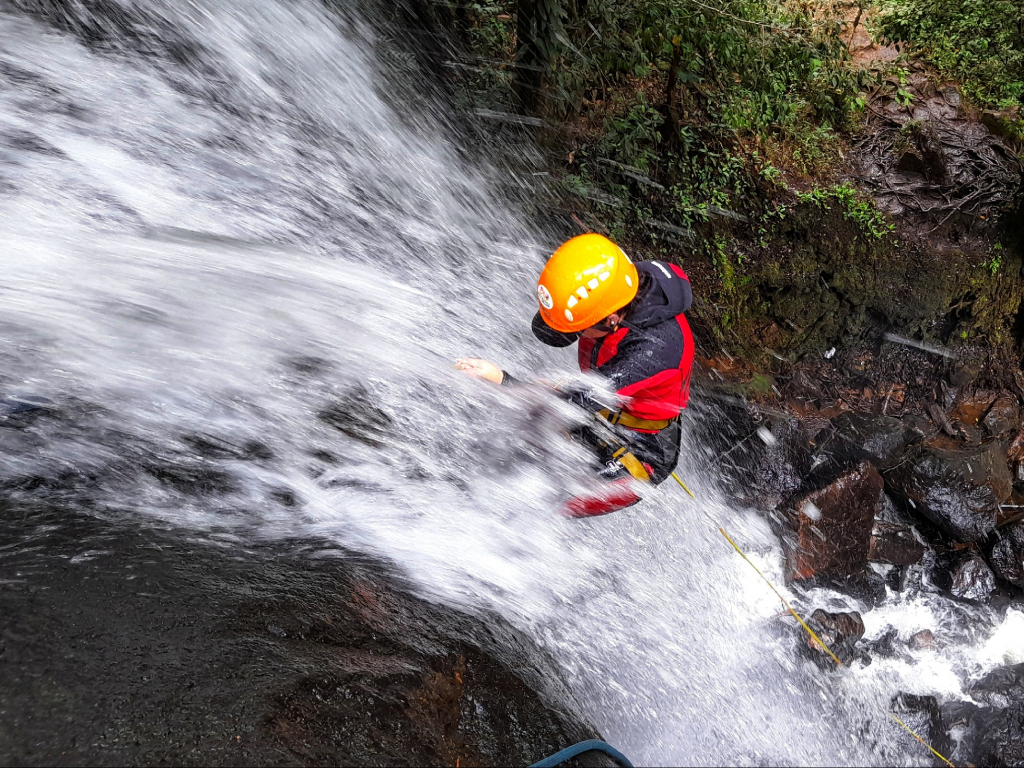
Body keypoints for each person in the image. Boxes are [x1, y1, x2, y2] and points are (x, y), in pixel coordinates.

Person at [458, 233, 695, 517]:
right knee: (508, 449)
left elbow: (573, 404)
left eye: (579, 330)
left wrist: (503, 381)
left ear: (611, 319)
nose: (574, 336)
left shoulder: (654, 351)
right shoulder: (615, 286)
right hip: (600, 415)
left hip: (642, 452)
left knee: (533, 501)